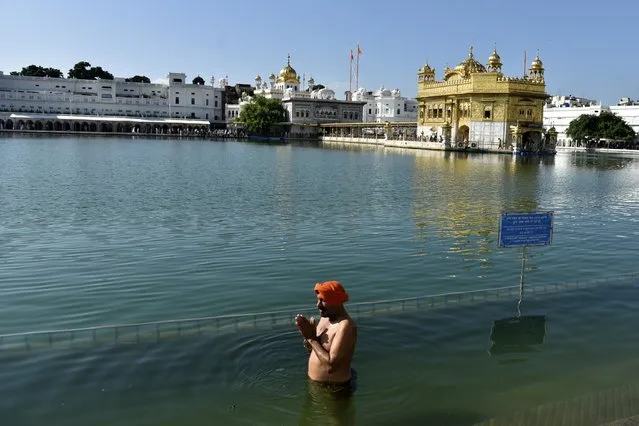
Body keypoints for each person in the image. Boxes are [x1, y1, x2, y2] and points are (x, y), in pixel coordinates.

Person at [295, 281, 358, 425]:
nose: (318, 305)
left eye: (323, 301)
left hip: (336, 390)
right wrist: (309, 338)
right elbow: (317, 351)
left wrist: (311, 338)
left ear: (336, 302)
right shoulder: (324, 319)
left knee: (337, 422)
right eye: (318, 300)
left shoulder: (346, 326)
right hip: (315, 385)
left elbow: (332, 365)